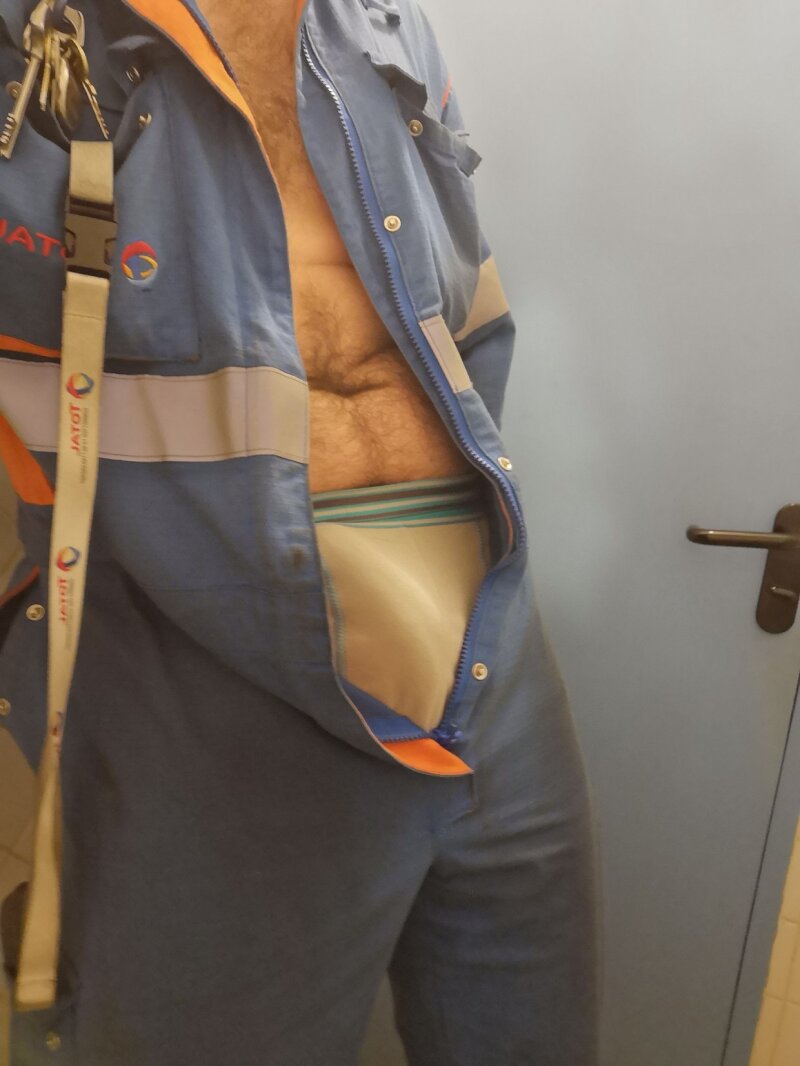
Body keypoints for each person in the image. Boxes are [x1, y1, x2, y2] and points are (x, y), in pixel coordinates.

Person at [0, 0, 600, 1061]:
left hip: (487, 647)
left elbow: (453, 310)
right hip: (209, 685)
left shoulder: (380, 21)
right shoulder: (34, 45)